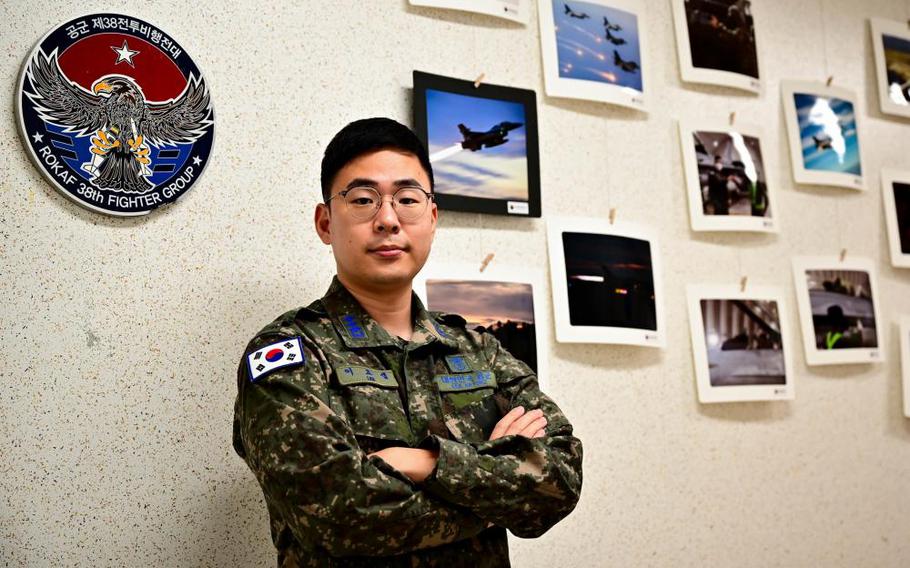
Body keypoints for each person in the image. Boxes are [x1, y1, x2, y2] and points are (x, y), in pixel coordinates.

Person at [232, 118, 583, 567]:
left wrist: (427, 463)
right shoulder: (290, 353)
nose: (388, 219)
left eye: (408, 199)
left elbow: (561, 482)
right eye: (363, 200)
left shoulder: (478, 348)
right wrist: (497, 489)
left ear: (432, 217)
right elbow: (339, 516)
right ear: (325, 223)